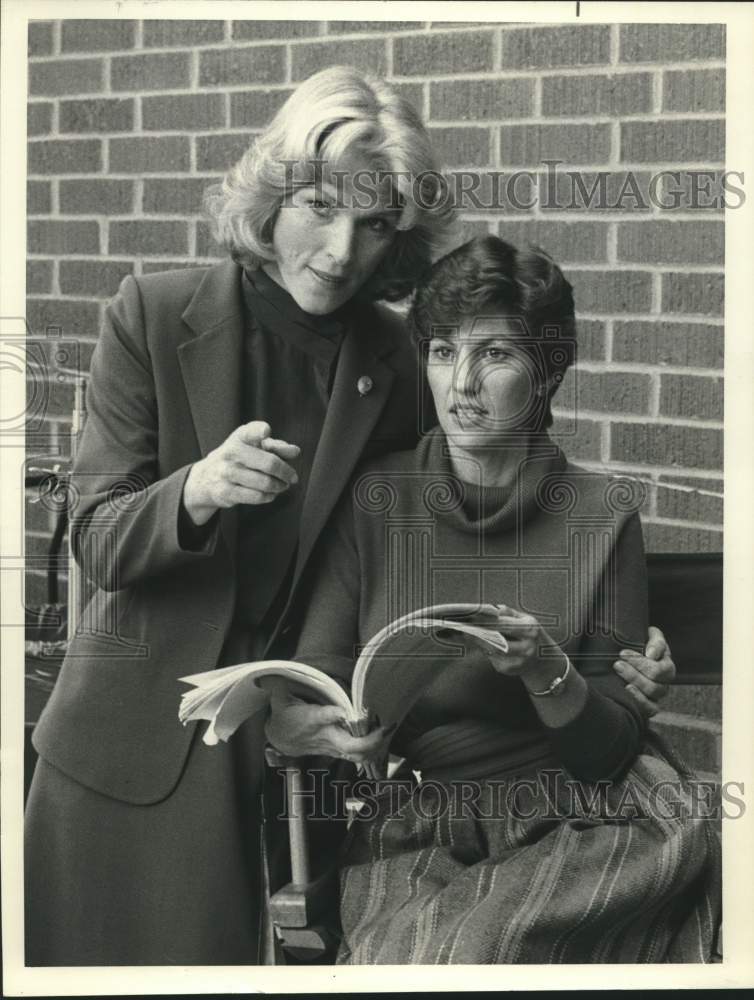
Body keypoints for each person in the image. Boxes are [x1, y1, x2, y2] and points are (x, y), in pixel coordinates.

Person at [25, 67, 675, 966]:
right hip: (139, 749)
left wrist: (602, 674)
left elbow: (441, 532)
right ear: (269, 195)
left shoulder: (405, 364)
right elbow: (98, 541)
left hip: (310, 765)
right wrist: (196, 490)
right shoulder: (153, 313)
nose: (340, 250)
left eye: (375, 225)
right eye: (319, 205)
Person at [287, 236, 722, 964]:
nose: (461, 382)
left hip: (587, 821)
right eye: (442, 350)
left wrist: (545, 670)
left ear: (546, 374)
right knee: (407, 958)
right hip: (428, 822)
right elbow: (304, 690)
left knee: (479, 947)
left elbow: (609, 751)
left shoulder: (601, 511)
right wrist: (322, 732)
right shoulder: (373, 501)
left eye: (494, 355)